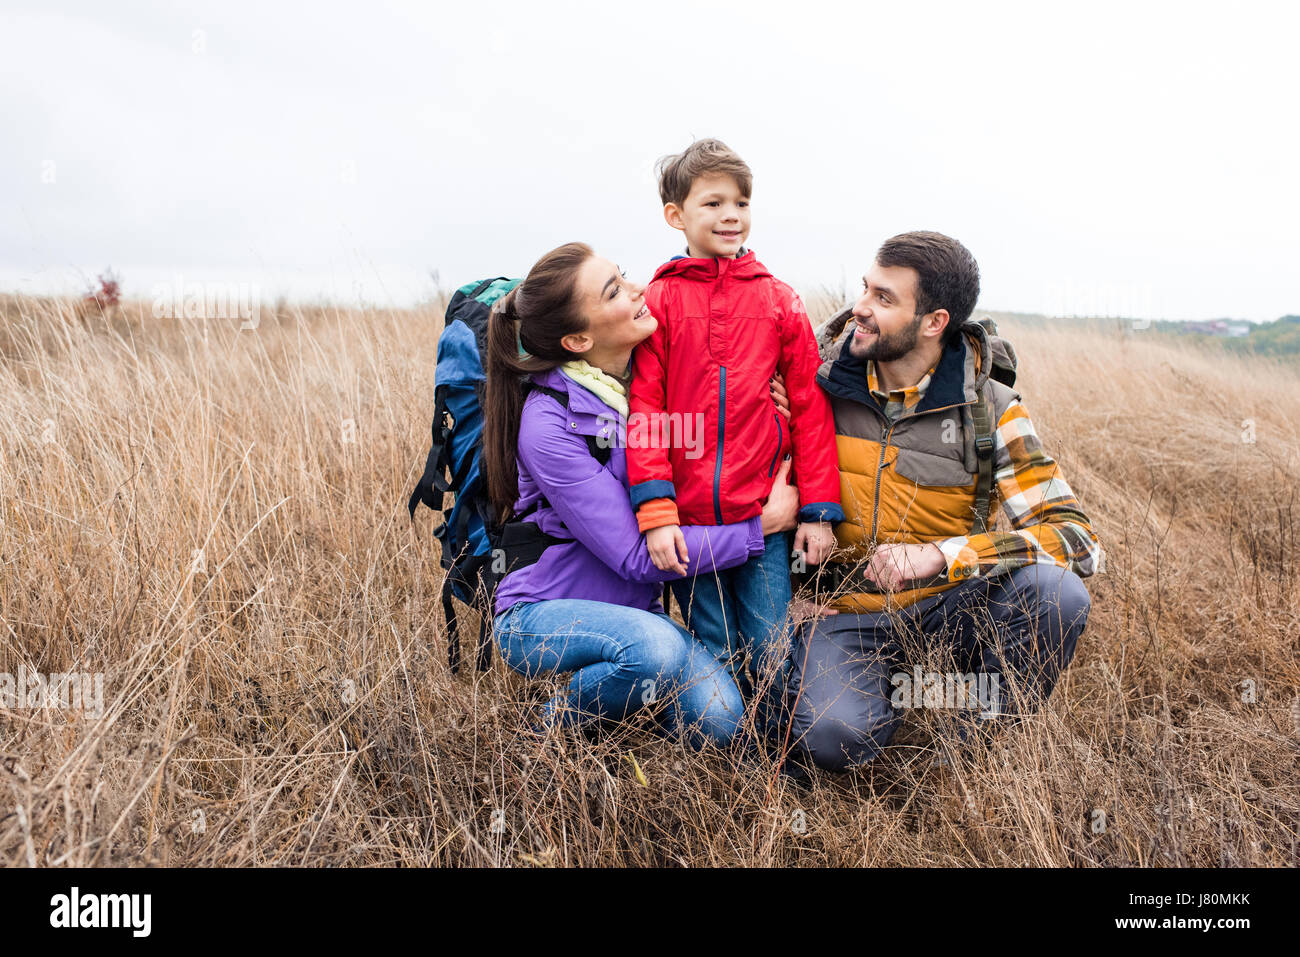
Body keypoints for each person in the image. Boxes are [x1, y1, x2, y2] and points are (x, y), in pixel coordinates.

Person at [786, 231, 1101, 772]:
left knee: (1056, 594)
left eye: (884, 299)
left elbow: (1079, 542)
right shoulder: (810, 384)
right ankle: (872, 703)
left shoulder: (989, 408)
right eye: (866, 288)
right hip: (840, 613)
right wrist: (779, 602)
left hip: (947, 610)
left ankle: (968, 754)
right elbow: (741, 496)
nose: (859, 308)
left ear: (933, 322)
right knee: (832, 739)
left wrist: (943, 555)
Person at [481, 241, 800, 748]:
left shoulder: (655, 383)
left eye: (624, 275)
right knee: (654, 652)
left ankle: (627, 716)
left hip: (639, 618)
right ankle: (549, 729)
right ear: (579, 339)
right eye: (614, 291)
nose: (637, 289)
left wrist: (770, 404)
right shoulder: (547, 426)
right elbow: (638, 554)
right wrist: (761, 529)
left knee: (720, 722)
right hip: (543, 615)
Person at [626, 138, 843, 696]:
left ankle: (778, 755)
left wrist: (817, 511)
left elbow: (811, 410)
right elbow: (647, 410)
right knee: (714, 642)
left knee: (771, 643)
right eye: (713, 203)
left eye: (741, 203)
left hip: (765, 511)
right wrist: (656, 510)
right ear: (676, 215)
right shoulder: (660, 300)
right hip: (691, 522)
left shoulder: (779, 300)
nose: (731, 215)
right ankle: (725, 756)